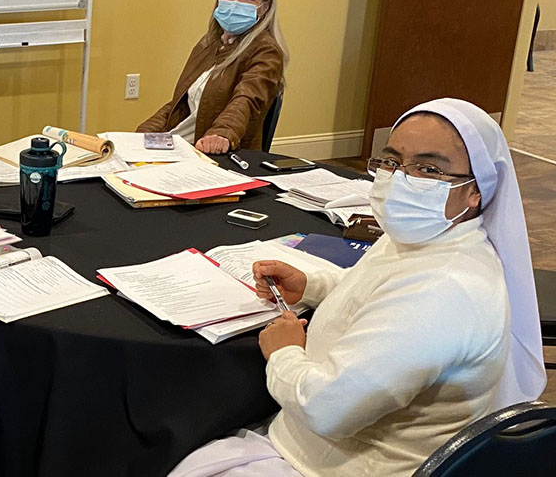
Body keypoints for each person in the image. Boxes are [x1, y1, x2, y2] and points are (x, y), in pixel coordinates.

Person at [168, 98, 546, 477]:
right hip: (314, 445)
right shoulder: (429, 237)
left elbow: (327, 409)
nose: (400, 179)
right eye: (393, 161)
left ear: (475, 190)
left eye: (429, 169)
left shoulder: (445, 293)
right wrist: (311, 285)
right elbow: (375, 287)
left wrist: (282, 354)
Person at [136, 0, 289, 153]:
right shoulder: (209, 43)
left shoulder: (266, 51)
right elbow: (181, 103)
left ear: (264, 8)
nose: (235, 4)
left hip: (214, 154)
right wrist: (143, 134)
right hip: (178, 146)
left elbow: (247, 99)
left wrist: (222, 134)